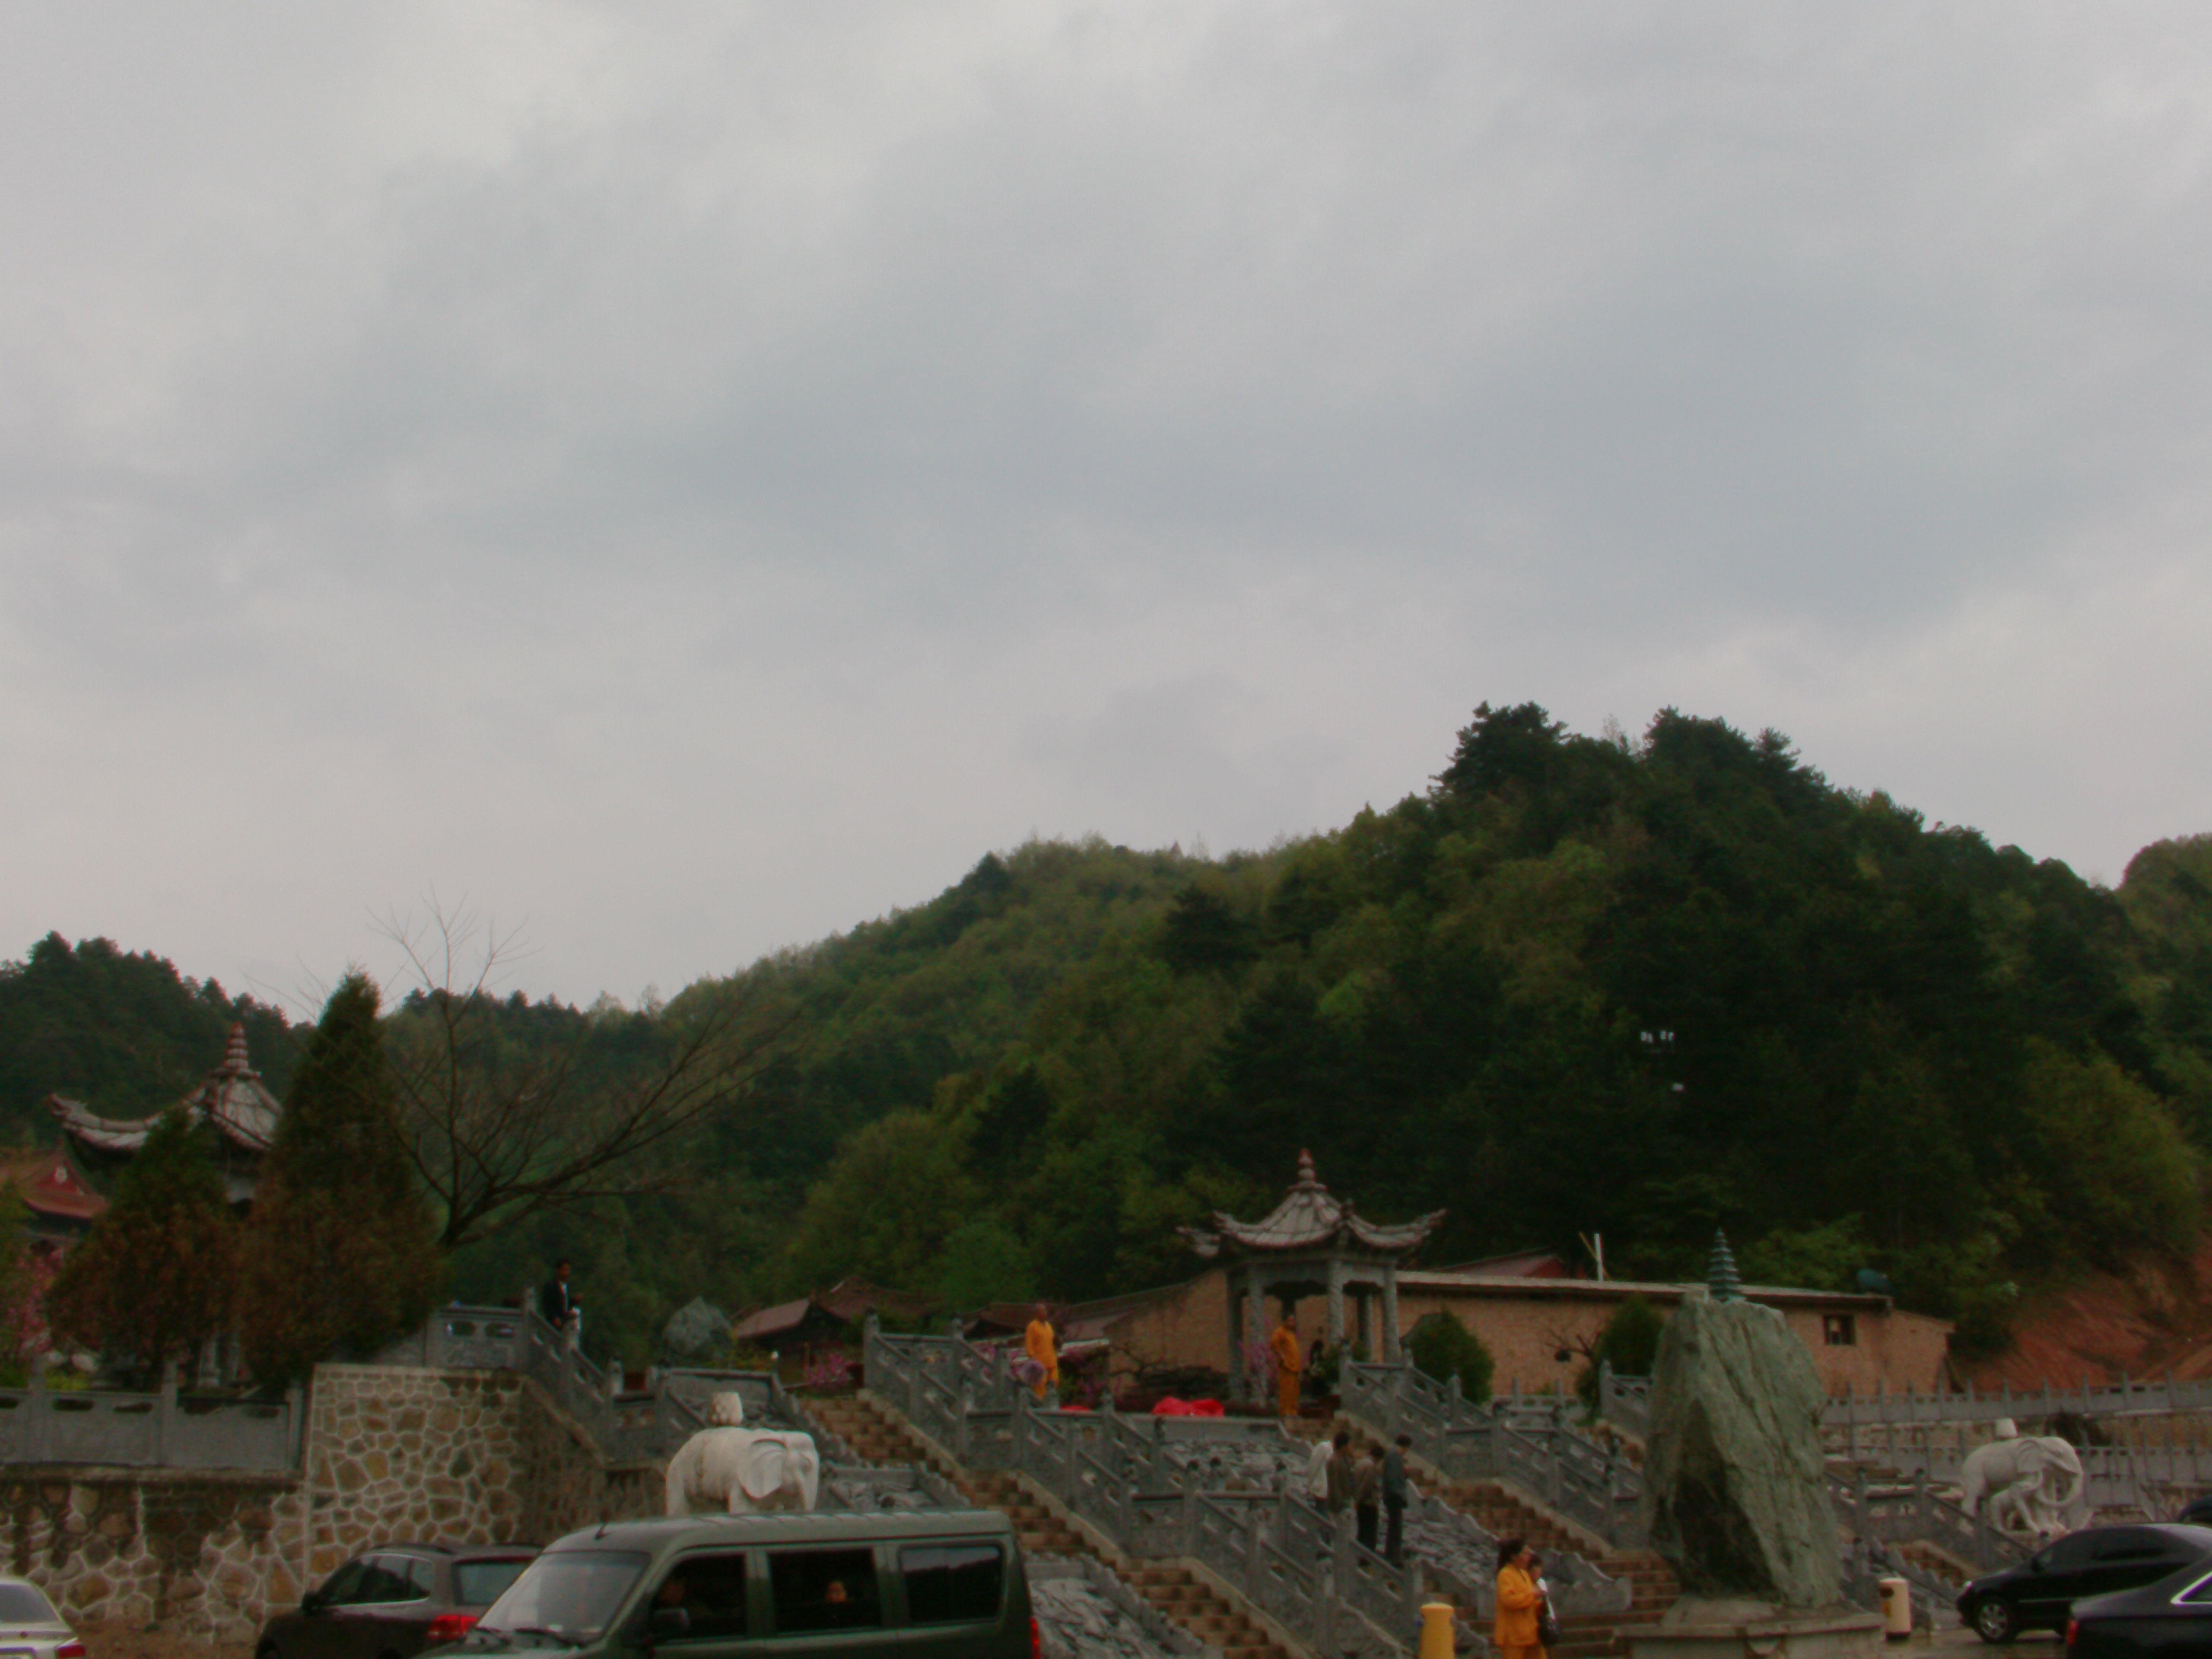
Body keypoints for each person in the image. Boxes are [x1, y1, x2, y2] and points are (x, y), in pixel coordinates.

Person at [1495, 1536, 1545, 1659]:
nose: (1529, 1557)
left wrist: (1541, 1605)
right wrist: (1532, 1595)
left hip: (1531, 1634)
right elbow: (1509, 1601)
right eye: (1525, 1554)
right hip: (1514, 1637)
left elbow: (1531, 1602)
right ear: (1514, 1556)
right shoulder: (1505, 1575)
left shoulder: (1524, 1574)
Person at [1381, 1433, 1411, 1565]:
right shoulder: (1395, 1455)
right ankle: (1395, 1557)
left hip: (1392, 1495)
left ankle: (1390, 1554)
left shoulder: (1393, 1454)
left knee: (1393, 1526)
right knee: (1396, 1527)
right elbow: (1392, 1478)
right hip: (1394, 1497)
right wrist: (1399, 1494)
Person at [540, 1259, 582, 1350]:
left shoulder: (567, 1286)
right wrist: (554, 1317)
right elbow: (547, 1305)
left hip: (565, 1322)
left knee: (577, 1313)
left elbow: (565, 1305)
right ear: (558, 1271)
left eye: (568, 1270)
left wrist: (574, 1301)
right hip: (554, 1324)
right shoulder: (551, 1286)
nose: (567, 1273)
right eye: (564, 1270)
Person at [1023, 1303, 1060, 1403]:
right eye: (1043, 1311)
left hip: (1051, 1361)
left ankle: (1053, 1405)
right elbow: (1029, 1347)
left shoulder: (1048, 1326)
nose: (1045, 1313)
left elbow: (1053, 1342)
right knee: (1040, 1388)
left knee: (1054, 1383)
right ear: (1037, 1313)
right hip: (1040, 1364)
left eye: (1046, 1311)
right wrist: (1034, 1361)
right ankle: (1042, 1405)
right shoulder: (1032, 1327)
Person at [1269, 1314, 1303, 1418]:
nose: (1292, 1323)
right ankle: (1285, 1412)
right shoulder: (1280, 1332)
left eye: (1293, 1321)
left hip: (1295, 1367)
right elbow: (1274, 1344)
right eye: (1290, 1321)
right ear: (1285, 1321)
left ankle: (1293, 1411)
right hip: (1287, 1367)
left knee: (1294, 1391)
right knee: (1287, 1390)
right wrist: (1282, 1356)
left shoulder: (1291, 1334)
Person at [1353, 1442, 1383, 1552]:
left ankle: (1358, 1553)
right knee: (1370, 1532)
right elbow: (1367, 1486)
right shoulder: (1371, 1467)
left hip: (1360, 1501)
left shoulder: (1360, 1463)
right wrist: (1360, 1500)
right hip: (1368, 1503)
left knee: (1361, 1530)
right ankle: (1366, 1558)